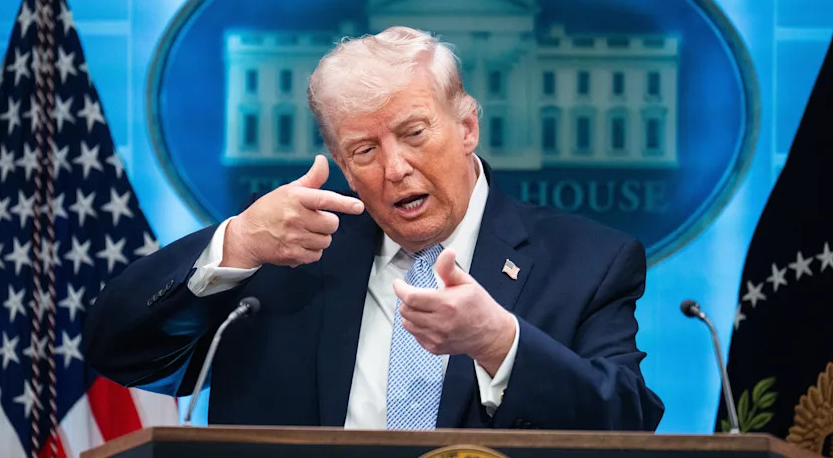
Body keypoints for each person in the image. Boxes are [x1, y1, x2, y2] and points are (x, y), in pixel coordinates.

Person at [82, 26, 664, 431]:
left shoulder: (587, 263)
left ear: (466, 127)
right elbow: (120, 352)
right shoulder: (286, 259)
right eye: (364, 149)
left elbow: (628, 426)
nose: (395, 168)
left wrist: (500, 345)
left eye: (414, 133)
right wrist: (235, 244)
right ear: (341, 164)